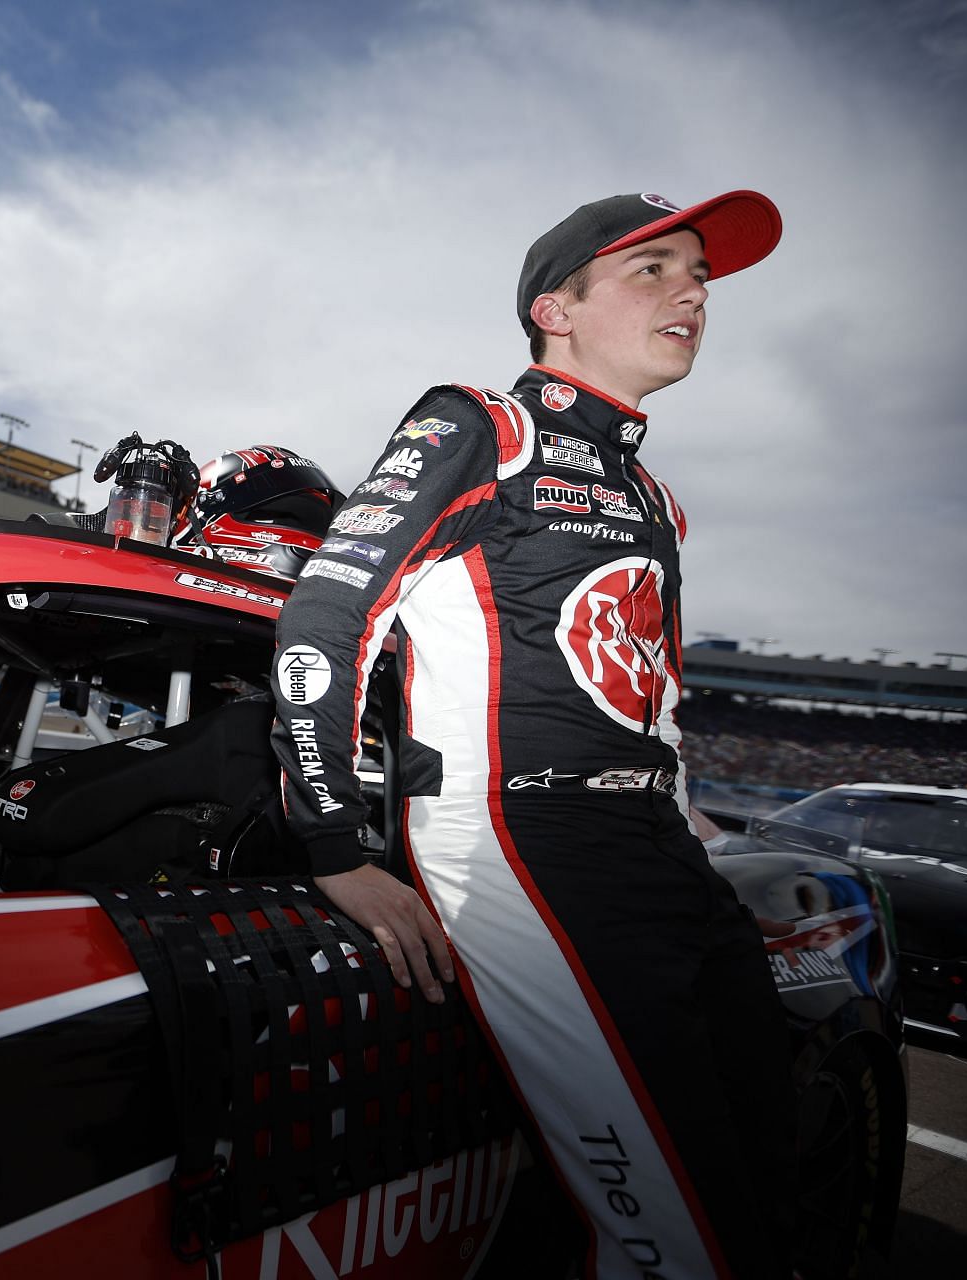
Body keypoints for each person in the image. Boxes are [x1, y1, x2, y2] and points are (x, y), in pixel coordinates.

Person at [270, 191, 793, 1278]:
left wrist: (680, 815)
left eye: (698, 273)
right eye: (652, 269)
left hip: (656, 848)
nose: (693, 291)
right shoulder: (480, 425)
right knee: (683, 1238)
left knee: (766, 1175)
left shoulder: (653, 494)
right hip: (516, 835)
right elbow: (327, 613)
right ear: (555, 308)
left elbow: (653, 689)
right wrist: (334, 845)